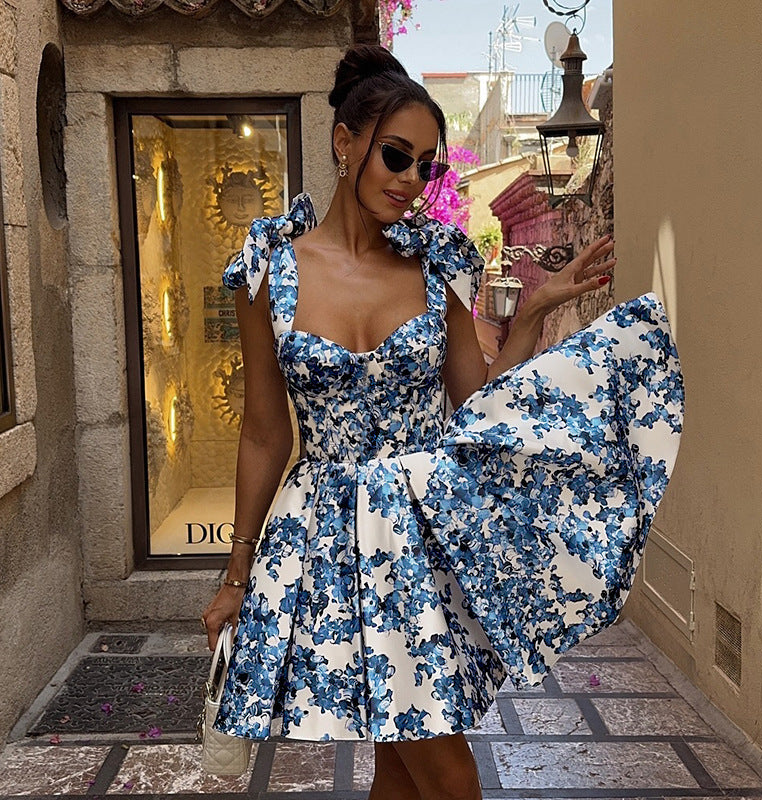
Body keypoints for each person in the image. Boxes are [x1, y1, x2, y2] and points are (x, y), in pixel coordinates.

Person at [202, 45, 682, 800]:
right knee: (422, 768)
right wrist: (236, 573)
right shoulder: (268, 269)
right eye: (396, 156)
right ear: (345, 142)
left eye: (426, 166)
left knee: (419, 765)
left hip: (419, 540)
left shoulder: (438, 265)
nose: (410, 180)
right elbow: (265, 433)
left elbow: (478, 405)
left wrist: (535, 309)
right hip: (326, 544)